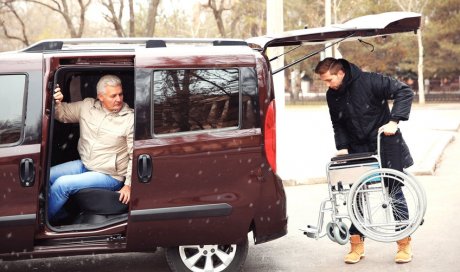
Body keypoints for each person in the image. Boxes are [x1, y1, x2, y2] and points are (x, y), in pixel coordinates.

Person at [314, 58, 414, 264]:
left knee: (394, 192)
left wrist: (394, 121)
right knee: (355, 196)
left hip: (383, 142)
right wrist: (341, 147)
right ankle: (356, 245)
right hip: (356, 148)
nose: (327, 84)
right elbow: (337, 122)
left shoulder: (371, 81)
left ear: (340, 73)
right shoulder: (332, 95)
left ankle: (404, 243)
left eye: (329, 79)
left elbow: (405, 91)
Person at [49, 74, 134, 222]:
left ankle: (40, 225)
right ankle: (61, 215)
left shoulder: (129, 119)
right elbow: (62, 114)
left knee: (62, 185)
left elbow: (136, 155)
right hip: (86, 164)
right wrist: (57, 102)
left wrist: (128, 185)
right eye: (113, 95)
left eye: (120, 94)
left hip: (110, 175)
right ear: (100, 96)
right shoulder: (87, 106)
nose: (119, 99)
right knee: (46, 176)